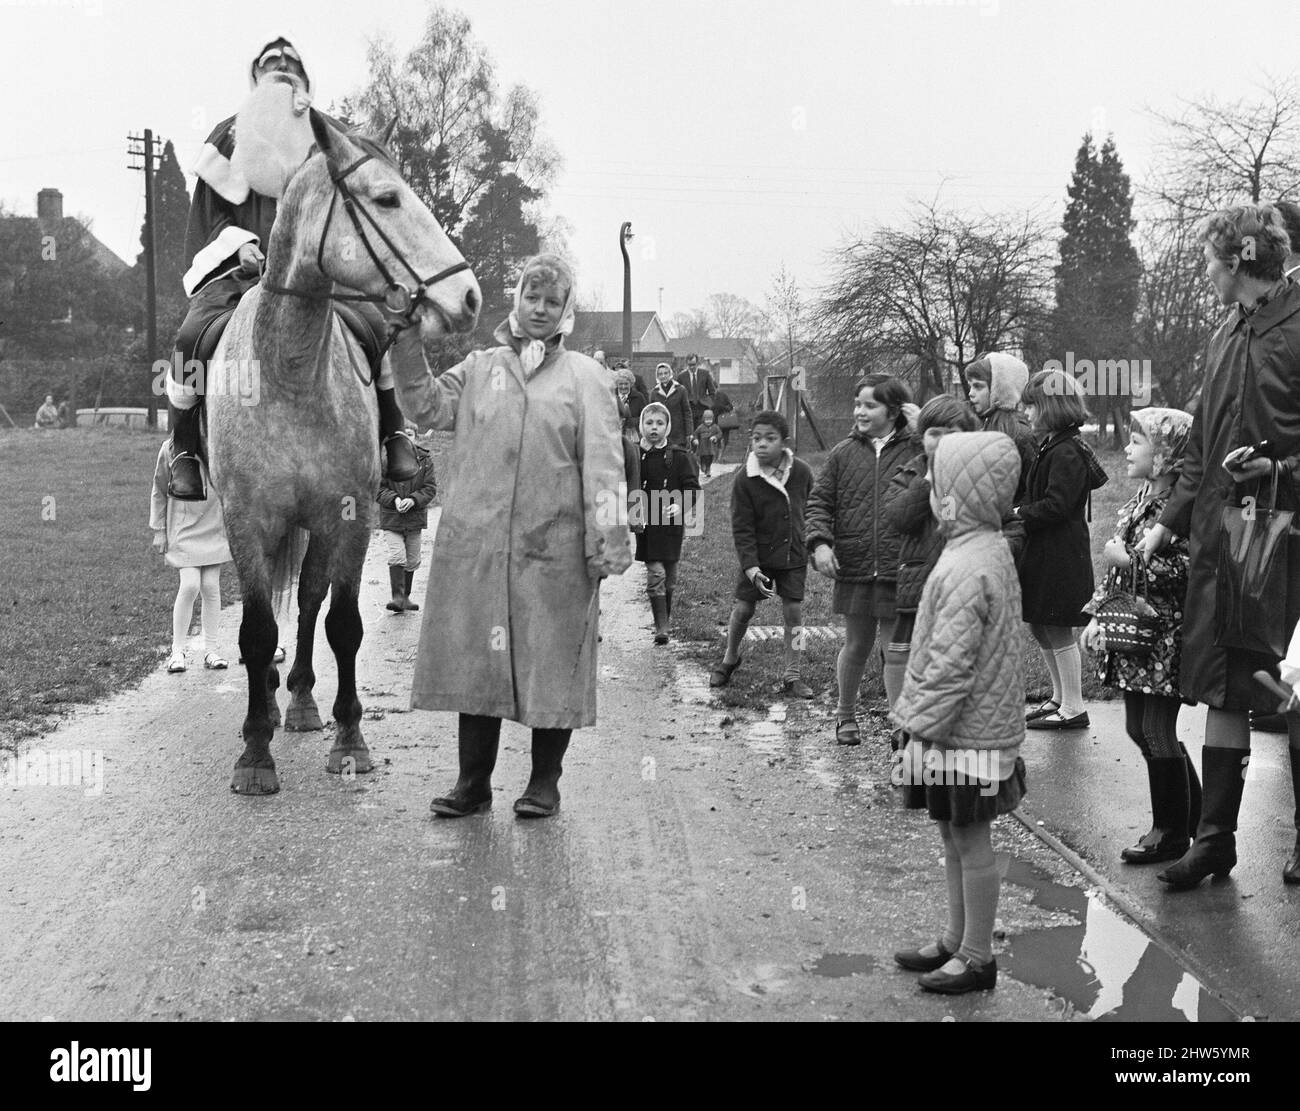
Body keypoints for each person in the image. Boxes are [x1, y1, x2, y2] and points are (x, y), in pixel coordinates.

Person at [389, 253, 630, 820]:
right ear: (516, 301)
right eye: (531, 297)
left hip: (556, 553)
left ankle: (544, 782)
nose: (540, 309)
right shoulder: (479, 367)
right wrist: (404, 337)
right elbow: (423, 405)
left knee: (553, 666)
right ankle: (473, 785)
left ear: (566, 310)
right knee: (478, 666)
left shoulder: (586, 380)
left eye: (552, 301)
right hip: (480, 547)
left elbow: (605, 464)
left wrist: (610, 535)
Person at [164, 37, 417, 501]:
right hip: (241, 275)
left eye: (290, 63)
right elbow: (210, 214)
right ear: (255, 76)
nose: (281, 68)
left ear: (305, 79)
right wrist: (240, 246)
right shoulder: (228, 136)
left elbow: (355, 201)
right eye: (271, 63)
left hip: (318, 275)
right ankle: (183, 449)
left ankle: (394, 434)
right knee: (189, 339)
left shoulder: (328, 135)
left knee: (377, 329)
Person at [1138, 203, 1300, 889]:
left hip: (1283, 536)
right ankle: (1215, 839)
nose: (1204, 271)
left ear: (1238, 261)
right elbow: (1201, 437)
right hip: (1222, 539)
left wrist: (1282, 473)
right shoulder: (1225, 332)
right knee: (1226, 685)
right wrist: (1169, 518)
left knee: (1287, 686)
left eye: (1210, 258)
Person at [891, 432, 1026, 995]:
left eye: (936, 482)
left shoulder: (969, 565)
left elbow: (950, 666)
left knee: (970, 840)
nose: (928, 490)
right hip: (962, 731)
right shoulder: (977, 547)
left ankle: (977, 957)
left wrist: (914, 730)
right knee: (952, 833)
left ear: (958, 495)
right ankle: (955, 938)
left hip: (963, 733)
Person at [1081, 408, 1201, 864]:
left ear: (1167, 455)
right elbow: (1113, 576)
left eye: (1138, 442)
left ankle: (1169, 831)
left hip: (1163, 636)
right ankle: (1196, 813)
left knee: (1155, 728)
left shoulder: (1179, 511)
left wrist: (1130, 560)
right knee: (1138, 727)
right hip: (1134, 636)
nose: (1127, 449)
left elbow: (1187, 567)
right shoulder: (1138, 501)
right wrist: (1097, 616)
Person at [806, 374, 917, 746]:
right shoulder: (842, 453)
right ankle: (845, 715)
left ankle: (901, 724)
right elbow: (820, 502)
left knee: (894, 649)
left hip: (896, 565)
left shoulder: (916, 450)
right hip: (853, 563)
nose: (860, 411)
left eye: (870, 405)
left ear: (894, 411)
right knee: (856, 645)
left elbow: (952, 454)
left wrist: (921, 428)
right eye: (858, 404)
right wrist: (820, 544)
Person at [882, 396, 981, 762]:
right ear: (921, 437)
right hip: (917, 585)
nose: (939, 441)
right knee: (908, 661)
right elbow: (897, 517)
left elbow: (1008, 521)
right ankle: (906, 735)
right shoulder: (909, 474)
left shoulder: (980, 473)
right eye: (932, 433)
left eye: (949, 433)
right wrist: (927, 482)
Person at [1014, 369, 1106, 731]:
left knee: (1057, 628)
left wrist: (1019, 513)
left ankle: (1073, 707)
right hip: (1043, 551)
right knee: (1040, 624)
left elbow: (1057, 505)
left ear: (1052, 408)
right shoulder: (1051, 444)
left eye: (1033, 407)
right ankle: (1058, 698)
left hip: (1061, 554)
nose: (1028, 414)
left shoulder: (1066, 450)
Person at [710, 409, 815, 697]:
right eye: (757, 438)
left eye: (770, 438)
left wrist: (816, 542)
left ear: (785, 441)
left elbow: (814, 509)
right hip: (759, 559)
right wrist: (751, 568)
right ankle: (730, 657)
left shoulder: (802, 472)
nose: (762, 444)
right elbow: (742, 528)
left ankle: (792, 674)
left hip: (793, 554)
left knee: (793, 612)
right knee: (743, 609)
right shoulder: (746, 479)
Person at [150, 437, 233, 673]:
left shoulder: (219, 444)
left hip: (213, 525)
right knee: (190, 585)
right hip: (182, 526)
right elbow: (158, 489)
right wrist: (159, 531)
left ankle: (211, 650)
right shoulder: (170, 448)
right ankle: (177, 652)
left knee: (210, 586)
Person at [633, 401, 700, 644]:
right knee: (656, 574)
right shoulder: (634, 456)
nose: (654, 428)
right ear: (641, 425)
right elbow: (624, 483)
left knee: (670, 579)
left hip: (671, 525)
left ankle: (665, 620)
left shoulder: (680, 457)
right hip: (648, 527)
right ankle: (661, 626)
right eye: (649, 423)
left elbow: (693, 488)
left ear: (668, 427)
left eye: (660, 423)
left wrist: (681, 504)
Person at [966, 353, 1036, 563]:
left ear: (1000, 387)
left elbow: (1031, 493)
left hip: (1009, 543)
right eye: (970, 386)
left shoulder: (1019, 434)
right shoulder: (985, 425)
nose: (971, 393)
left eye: (978, 387)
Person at [376, 429, 437, 613]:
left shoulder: (424, 460)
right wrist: (394, 499)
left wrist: (413, 500)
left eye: (410, 434)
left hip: (414, 519)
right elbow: (378, 489)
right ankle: (397, 597)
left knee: (412, 560)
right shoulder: (385, 460)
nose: (406, 438)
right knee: (397, 556)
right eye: (401, 433)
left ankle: (406, 597)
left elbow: (430, 488)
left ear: (416, 437)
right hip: (392, 518)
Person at [650, 361, 692, 448]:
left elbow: (687, 412)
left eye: (666, 373)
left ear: (670, 373)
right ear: (657, 376)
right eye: (660, 374)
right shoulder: (654, 393)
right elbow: (651, 415)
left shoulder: (680, 390)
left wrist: (689, 433)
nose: (663, 376)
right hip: (661, 433)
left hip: (678, 433)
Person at [677, 353, 716, 431]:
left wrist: (709, 403)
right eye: (689, 365)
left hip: (702, 407)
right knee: (690, 431)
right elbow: (678, 394)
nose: (692, 367)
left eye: (694, 364)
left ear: (697, 363)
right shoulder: (681, 376)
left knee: (702, 432)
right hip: (689, 407)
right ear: (687, 364)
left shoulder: (705, 374)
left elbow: (712, 392)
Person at [693, 409, 723, 478]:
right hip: (702, 447)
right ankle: (702, 465)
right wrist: (696, 440)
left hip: (711, 447)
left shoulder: (715, 427)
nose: (708, 421)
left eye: (710, 419)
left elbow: (720, 433)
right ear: (703, 419)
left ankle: (708, 469)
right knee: (703, 458)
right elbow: (695, 434)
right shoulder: (700, 427)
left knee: (710, 458)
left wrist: (715, 437)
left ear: (713, 419)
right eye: (706, 419)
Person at [713, 388, 738, 462]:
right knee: (716, 440)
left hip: (724, 421)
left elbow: (730, 406)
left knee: (723, 440)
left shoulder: (722, 395)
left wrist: (722, 407)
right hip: (715, 422)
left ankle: (719, 457)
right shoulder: (707, 396)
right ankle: (716, 457)